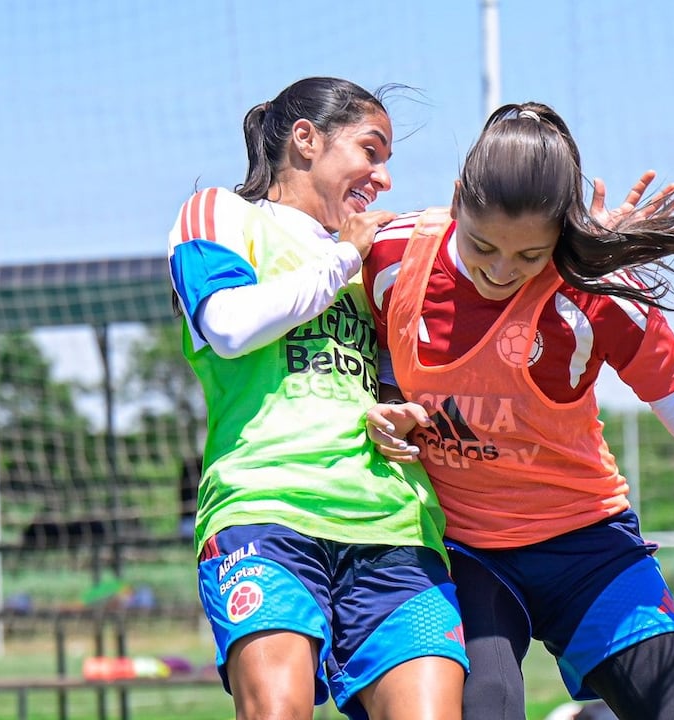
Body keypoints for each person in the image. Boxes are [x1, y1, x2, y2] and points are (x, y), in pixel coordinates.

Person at [361, 101, 674, 720]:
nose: (500, 272)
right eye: (482, 245)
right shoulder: (390, 258)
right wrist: (381, 404)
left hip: (588, 547)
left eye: (529, 256)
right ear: (457, 199)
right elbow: (348, 358)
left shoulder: (598, 297)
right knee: (486, 706)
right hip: (463, 553)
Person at [166, 76, 466, 720]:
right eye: (370, 151)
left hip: (394, 524)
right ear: (306, 139)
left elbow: (399, 375)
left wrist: (401, 410)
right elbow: (229, 326)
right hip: (267, 511)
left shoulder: (378, 257)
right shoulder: (223, 214)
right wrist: (341, 260)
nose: (384, 178)